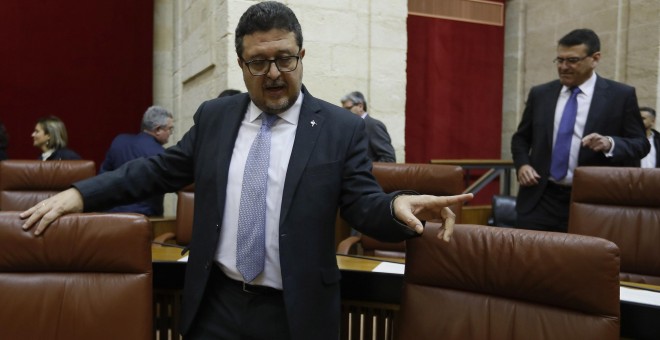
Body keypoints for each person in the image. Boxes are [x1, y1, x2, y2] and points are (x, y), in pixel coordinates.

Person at [20, 2, 472, 339]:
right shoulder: (216, 117)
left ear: (301, 55)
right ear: (241, 64)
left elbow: (363, 204)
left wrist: (397, 206)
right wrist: (79, 195)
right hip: (215, 305)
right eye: (259, 62)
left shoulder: (339, 129)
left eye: (285, 58)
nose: (274, 73)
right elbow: (157, 171)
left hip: (295, 315)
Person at [511, 28, 649, 233]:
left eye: (572, 60)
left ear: (595, 58)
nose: (563, 67)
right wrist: (523, 164)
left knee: (580, 263)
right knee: (530, 261)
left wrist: (610, 143)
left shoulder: (620, 96)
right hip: (540, 199)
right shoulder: (540, 94)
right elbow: (521, 138)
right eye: (559, 60)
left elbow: (641, 144)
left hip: (594, 201)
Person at [100, 106, 174, 216]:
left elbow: (102, 177)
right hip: (146, 219)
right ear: (158, 130)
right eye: (170, 129)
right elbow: (177, 184)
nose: (171, 133)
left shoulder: (119, 142)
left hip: (111, 216)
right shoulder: (162, 154)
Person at [341, 91, 396, 162]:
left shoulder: (373, 125)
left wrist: (366, 170)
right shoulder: (350, 126)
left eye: (348, 108)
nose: (344, 112)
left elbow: (389, 159)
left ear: (360, 106)